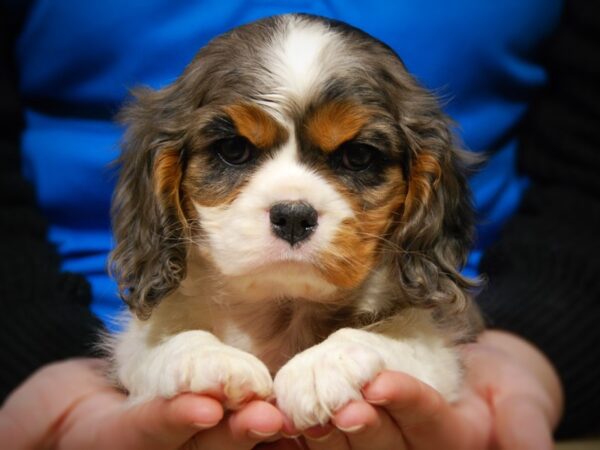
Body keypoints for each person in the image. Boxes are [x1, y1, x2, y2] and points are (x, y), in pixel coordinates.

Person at [0, 0, 598, 449]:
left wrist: (529, 351)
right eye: (233, 151)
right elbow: (139, 348)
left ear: (425, 188)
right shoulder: (163, 335)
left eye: (359, 157)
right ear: (165, 176)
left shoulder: (408, 334)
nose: (293, 203)